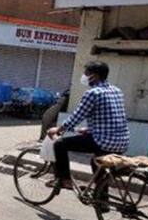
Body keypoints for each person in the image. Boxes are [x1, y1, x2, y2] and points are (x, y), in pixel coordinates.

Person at [46, 61, 130, 189]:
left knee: (59, 144)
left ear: (94, 76)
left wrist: (58, 129)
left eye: (86, 73)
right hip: (122, 141)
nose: (84, 76)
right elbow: (110, 117)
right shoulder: (117, 91)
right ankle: (101, 198)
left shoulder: (93, 93)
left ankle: (65, 180)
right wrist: (90, 129)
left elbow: (77, 116)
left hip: (104, 141)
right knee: (97, 161)